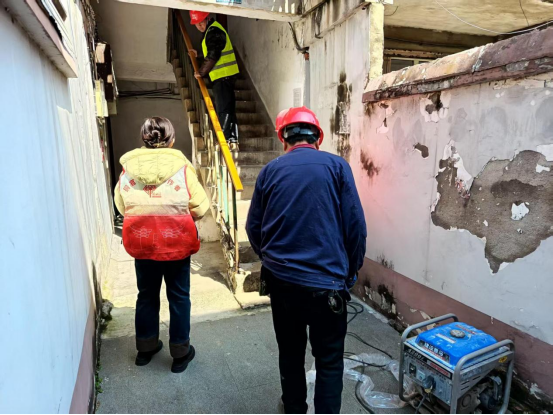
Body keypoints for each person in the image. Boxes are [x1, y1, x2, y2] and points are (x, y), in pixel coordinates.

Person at [246, 107, 367, 415]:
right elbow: (355, 227)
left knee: (290, 353)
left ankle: (294, 409)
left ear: (283, 138)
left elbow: (253, 228)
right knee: (329, 361)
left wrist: (271, 261)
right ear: (318, 138)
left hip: (282, 283)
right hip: (327, 285)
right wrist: (350, 272)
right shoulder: (337, 166)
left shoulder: (270, 171)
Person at [114, 117, 209, 373]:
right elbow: (201, 206)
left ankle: (145, 349)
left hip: (143, 242)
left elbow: (121, 205)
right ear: (172, 139)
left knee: (146, 295)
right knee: (179, 297)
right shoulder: (182, 167)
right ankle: (180, 353)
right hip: (176, 242)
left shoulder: (128, 169)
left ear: (143, 138)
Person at [189, 11, 240, 151]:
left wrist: (201, 72)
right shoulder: (212, 30)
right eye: (196, 24)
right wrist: (199, 54)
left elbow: (213, 55)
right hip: (226, 75)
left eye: (201, 22)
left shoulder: (213, 31)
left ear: (207, 18)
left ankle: (223, 141)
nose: (199, 26)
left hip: (223, 76)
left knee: (223, 109)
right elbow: (213, 51)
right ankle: (232, 140)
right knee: (228, 109)